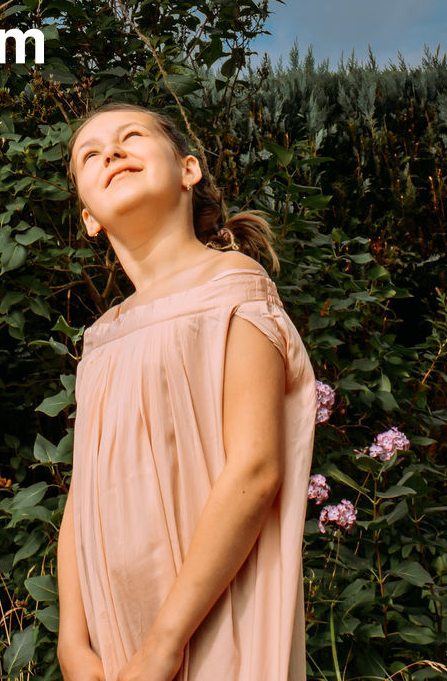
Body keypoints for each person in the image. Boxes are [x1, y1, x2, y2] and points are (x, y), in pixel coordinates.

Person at [56, 102, 315, 681]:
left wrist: (165, 642)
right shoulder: (100, 339)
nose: (112, 154)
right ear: (89, 219)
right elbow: (83, 495)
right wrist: (72, 640)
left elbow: (255, 469)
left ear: (188, 170)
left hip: (208, 609)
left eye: (130, 138)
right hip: (116, 621)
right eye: (90, 155)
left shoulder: (235, 286)